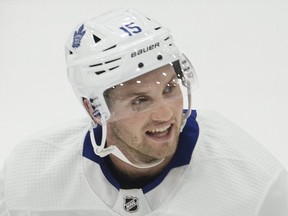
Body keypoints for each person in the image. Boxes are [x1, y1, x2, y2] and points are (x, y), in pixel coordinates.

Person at [0, 8, 287, 216]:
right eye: (139, 100)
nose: (165, 115)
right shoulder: (30, 175)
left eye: (169, 89)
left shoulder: (255, 182)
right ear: (94, 109)